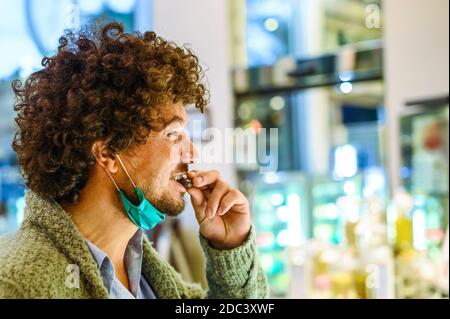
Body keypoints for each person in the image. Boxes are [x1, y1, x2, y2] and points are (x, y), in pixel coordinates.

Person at [0, 22, 267, 299]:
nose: (191, 154)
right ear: (107, 153)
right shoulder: (19, 285)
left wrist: (230, 245)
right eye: (173, 134)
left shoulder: (145, 273)